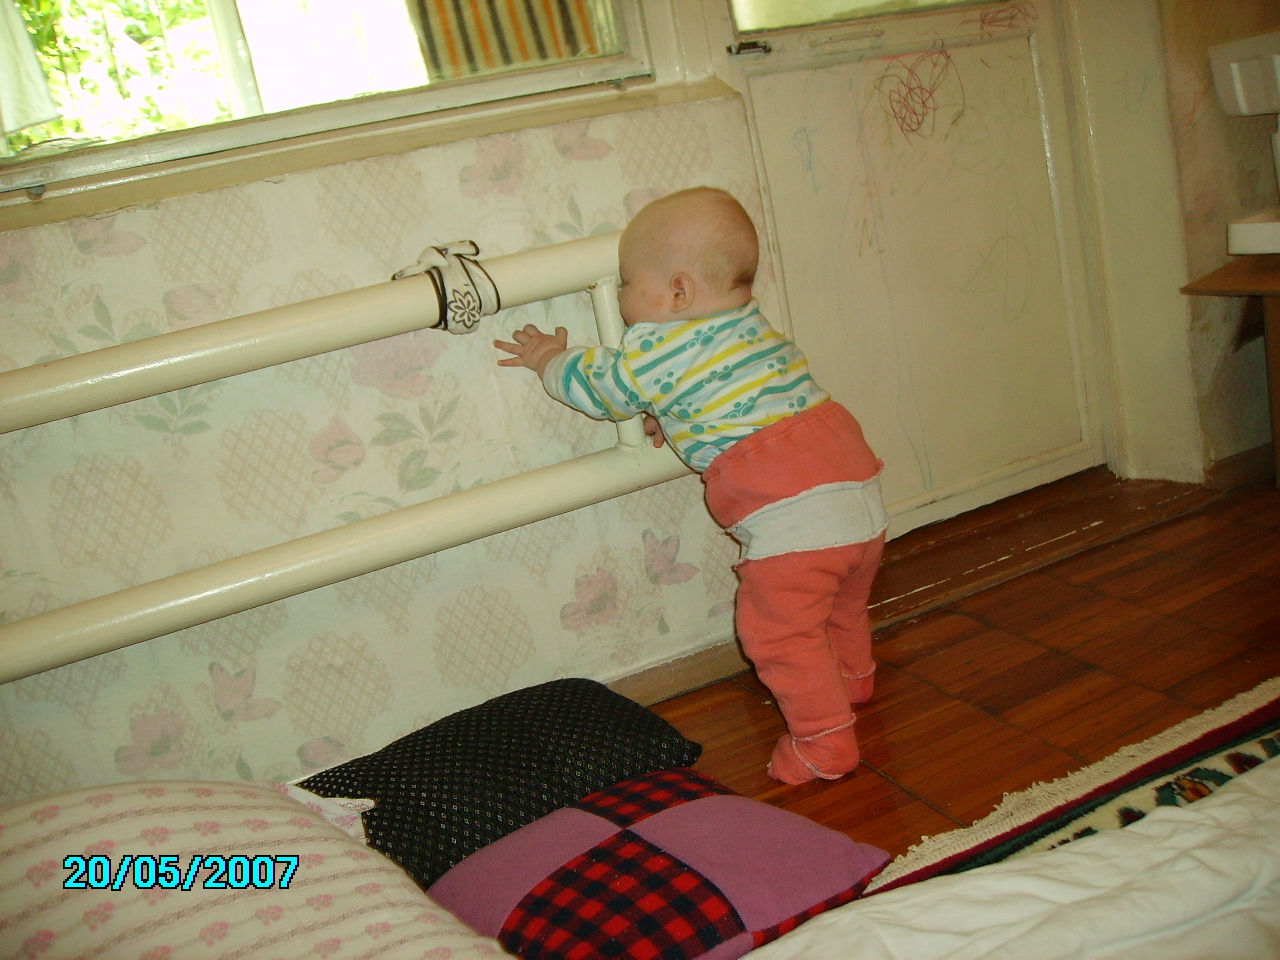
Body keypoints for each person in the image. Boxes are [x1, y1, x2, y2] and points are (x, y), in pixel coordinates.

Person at [494, 187, 887, 783]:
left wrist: (551, 358)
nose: (620, 295)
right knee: (842, 603)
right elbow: (727, 399)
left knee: (779, 633)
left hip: (794, 510)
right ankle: (853, 680)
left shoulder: (660, 346)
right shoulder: (750, 325)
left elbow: (604, 388)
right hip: (856, 483)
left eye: (627, 282)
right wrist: (675, 416)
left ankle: (825, 742)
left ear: (678, 292)